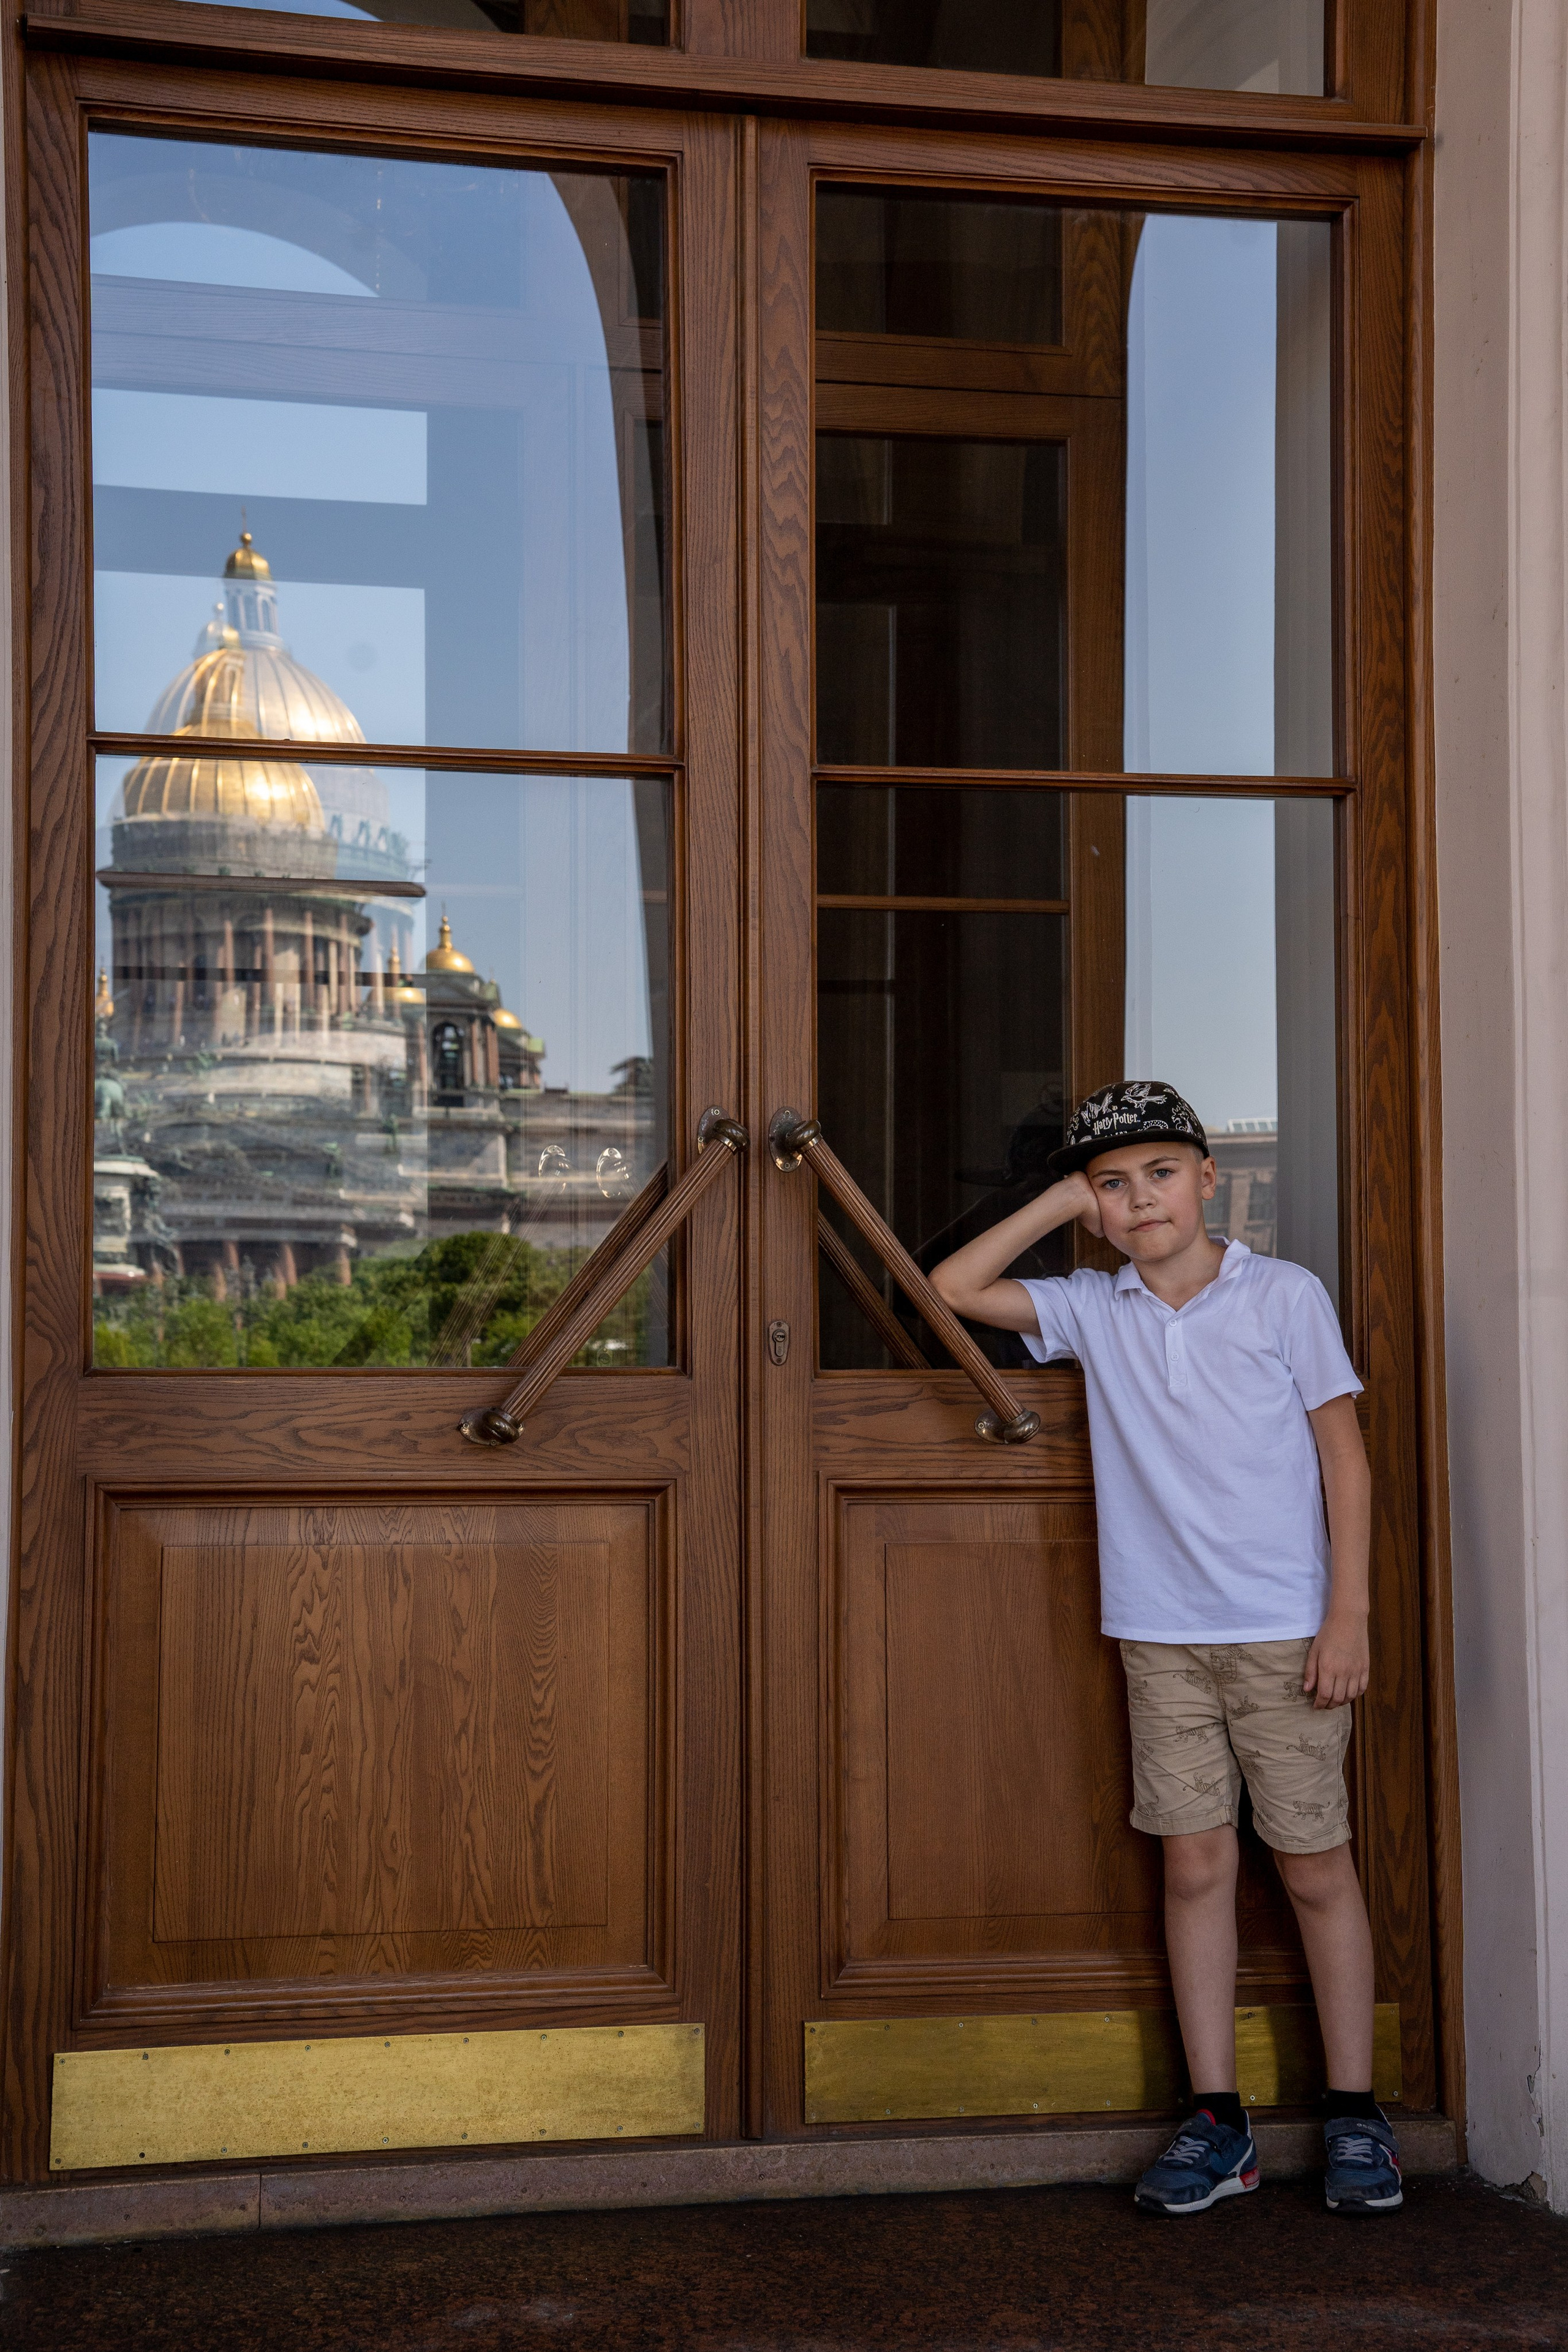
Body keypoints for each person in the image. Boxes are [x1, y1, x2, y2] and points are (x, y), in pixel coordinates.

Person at [929, 1078, 1401, 2218]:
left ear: (1206, 1179)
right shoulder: (1094, 1310)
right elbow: (951, 1289)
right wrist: (1060, 1202)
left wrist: (1349, 1613)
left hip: (1285, 1631)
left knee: (1313, 1863)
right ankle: (1218, 2122)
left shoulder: (1282, 1295)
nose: (1141, 1199)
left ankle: (1354, 2111)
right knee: (1193, 1865)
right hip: (1161, 1635)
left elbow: (1344, 1457)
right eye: (1114, 1184)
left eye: (1160, 1174)